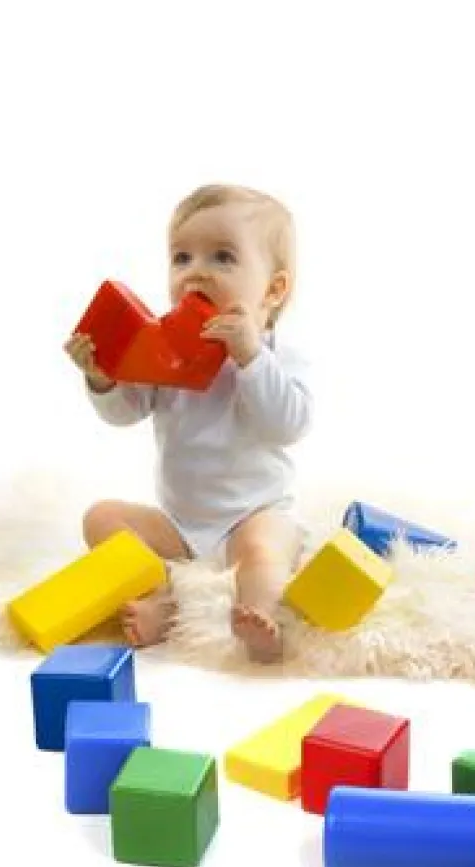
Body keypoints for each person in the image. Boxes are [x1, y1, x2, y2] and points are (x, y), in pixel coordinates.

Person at [64, 184, 313, 662]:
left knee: (264, 553)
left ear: (273, 289)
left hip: (255, 512)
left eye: (222, 257)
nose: (196, 271)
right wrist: (102, 379)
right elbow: (127, 412)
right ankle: (164, 598)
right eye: (181, 258)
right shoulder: (165, 347)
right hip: (180, 524)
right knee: (101, 518)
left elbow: (289, 425)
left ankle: (261, 621)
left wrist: (249, 358)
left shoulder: (278, 358)